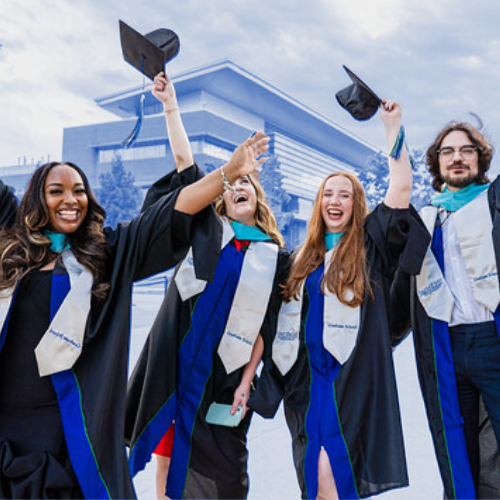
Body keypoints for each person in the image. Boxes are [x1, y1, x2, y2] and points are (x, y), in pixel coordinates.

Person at [0, 79, 269, 499]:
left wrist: (229, 172)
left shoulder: (106, 253)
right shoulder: (11, 245)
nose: (71, 199)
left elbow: (174, 210)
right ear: (37, 198)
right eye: (57, 190)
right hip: (8, 425)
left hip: (73, 424)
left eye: (79, 191)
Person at [125, 73, 289, 500]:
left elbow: (264, 330)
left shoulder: (273, 255)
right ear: (221, 197)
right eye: (231, 185)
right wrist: (170, 107)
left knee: (228, 473)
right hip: (175, 367)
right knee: (165, 467)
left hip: (224, 374)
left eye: (246, 184)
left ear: (257, 198)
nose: (238, 188)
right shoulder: (204, 231)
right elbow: (185, 165)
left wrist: (247, 380)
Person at [271, 100, 428, 500]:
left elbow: (401, 188)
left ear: (356, 204)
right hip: (305, 386)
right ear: (319, 204)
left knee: (335, 475)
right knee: (313, 477)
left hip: (350, 380)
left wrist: (393, 127)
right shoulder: (301, 259)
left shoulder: (370, 243)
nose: (335, 201)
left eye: (344, 195)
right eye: (328, 194)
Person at [391, 121, 500, 499]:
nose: (457, 158)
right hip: (446, 348)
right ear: (437, 163)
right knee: (457, 444)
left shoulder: (494, 203)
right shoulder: (425, 220)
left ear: (480, 157)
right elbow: (401, 285)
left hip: (493, 339)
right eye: (447, 152)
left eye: (466, 150)